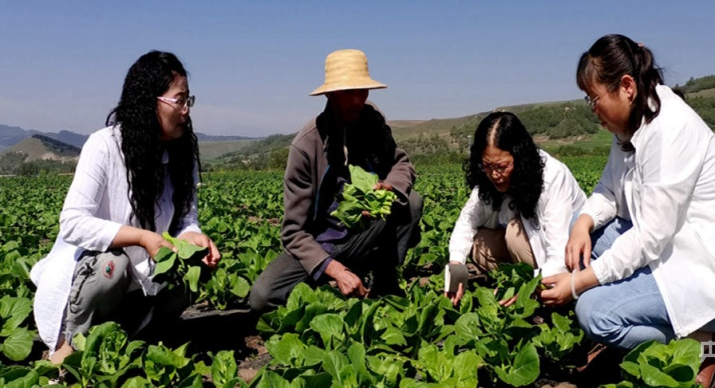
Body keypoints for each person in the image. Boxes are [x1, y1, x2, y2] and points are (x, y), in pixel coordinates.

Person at [539, 34, 715, 386]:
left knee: (595, 313)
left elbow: (651, 236)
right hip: (677, 248)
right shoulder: (632, 124)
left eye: (594, 98)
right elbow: (608, 190)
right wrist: (582, 223)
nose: (592, 109)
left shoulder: (670, 130)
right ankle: (667, 328)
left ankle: (709, 348)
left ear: (626, 87)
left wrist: (578, 283)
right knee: (583, 229)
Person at [30, 51, 221, 364]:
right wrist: (141, 237)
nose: (186, 110)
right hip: (94, 274)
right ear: (149, 102)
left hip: (145, 274)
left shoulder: (180, 153)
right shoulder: (104, 145)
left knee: (196, 263)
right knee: (111, 265)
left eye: (189, 100)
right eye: (179, 100)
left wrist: (193, 236)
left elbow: (186, 218)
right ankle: (73, 345)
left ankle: (141, 336)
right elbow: (73, 223)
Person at [249, 49, 423, 312]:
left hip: (364, 234)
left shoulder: (373, 123)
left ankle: (384, 283)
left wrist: (390, 186)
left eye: (362, 91)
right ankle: (334, 284)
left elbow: (401, 163)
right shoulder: (306, 146)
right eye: (347, 92)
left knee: (411, 201)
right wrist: (334, 269)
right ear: (329, 94)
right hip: (320, 244)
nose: (356, 100)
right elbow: (293, 233)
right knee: (263, 296)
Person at [445, 111, 586, 306]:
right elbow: (467, 221)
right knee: (481, 243)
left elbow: (558, 251)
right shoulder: (487, 178)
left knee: (514, 233)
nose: (494, 174)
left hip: (567, 256)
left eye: (502, 166)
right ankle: (517, 284)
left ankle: (536, 289)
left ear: (520, 157)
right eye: (487, 165)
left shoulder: (553, 176)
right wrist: (456, 265)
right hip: (526, 253)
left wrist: (525, 285)